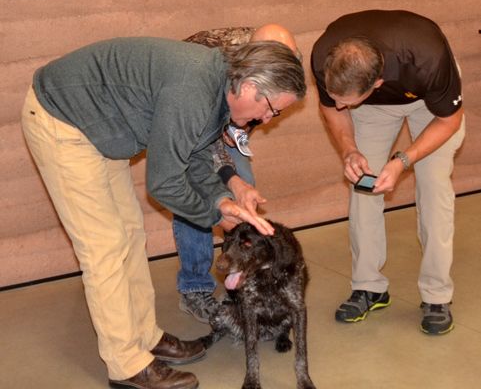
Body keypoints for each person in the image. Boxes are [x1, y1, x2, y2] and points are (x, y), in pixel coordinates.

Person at [21, 37, 306, 389]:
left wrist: (221, 199)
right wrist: (214, 216)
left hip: (101, 129)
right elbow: (164, 183)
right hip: (65, 120)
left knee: (130, 233)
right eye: (271, 109)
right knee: (105, 248)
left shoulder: (218, 87)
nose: (267, 118)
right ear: (249, 87)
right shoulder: (194, 89)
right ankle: (126, 364)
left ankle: (145, 336)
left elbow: (195, 152)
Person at [311, 9, 465, 335]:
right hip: (373, 107)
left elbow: (449, 121)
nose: (340, 107)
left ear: (378, 83)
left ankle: (437, 295)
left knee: (433, 185)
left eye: (346, 102)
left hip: (429, 102)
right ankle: (370, 287)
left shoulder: (428, 56)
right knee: (363, 184)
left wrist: (402, 161)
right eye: (337, 98)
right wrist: (349, 150)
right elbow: (331, 109)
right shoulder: (326, 58)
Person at [174, 24, 303, 323]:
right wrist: (225, 176)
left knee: (245, 190)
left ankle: (238, 269)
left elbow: (268, 106)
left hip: (230, 119)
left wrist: (241, 128)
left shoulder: (286, 63)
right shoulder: (215, 63)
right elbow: (203, 143)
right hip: (190, 118)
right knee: (195, 196)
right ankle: (195, 287)